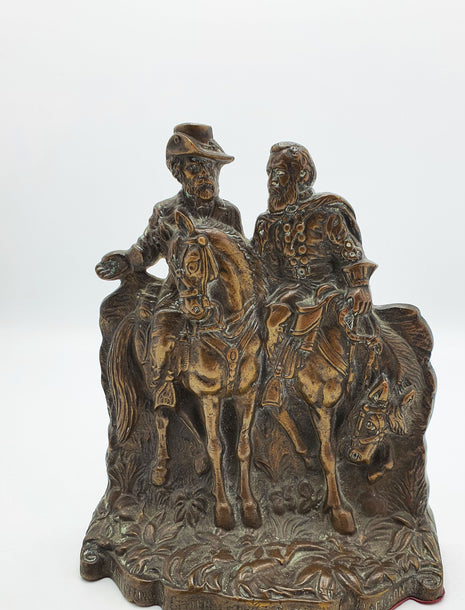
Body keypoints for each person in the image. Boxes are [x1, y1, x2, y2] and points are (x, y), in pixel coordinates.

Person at [95, 124, 243, 421]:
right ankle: (163, 387)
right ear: (179, 173)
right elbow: (146, 249)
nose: (204, 175)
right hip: (180, 291)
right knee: (163, 328)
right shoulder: (166, 212)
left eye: (210, 168)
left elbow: (241, 257)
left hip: (220, 297)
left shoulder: (228, 213)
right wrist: (126, 260)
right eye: (194, 168)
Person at [251, 141, 376, 378]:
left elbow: (350, 253)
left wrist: (360, 285)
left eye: (279, 173)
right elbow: (256, 264)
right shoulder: (266, 223)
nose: (272, 181)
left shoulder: (326, 212)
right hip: (282, 291)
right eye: (269, 173)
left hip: (325, 291)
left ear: (302, 175)